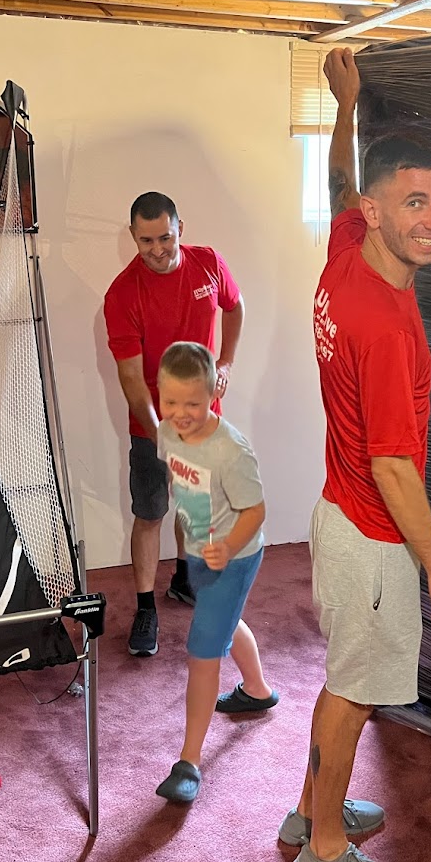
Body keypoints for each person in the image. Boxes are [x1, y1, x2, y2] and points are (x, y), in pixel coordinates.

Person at [284, 48, 431, 862]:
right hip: (372, 530)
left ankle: (304, 812)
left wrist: (346, 101)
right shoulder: (385, 327)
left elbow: (333, 179)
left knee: (341, 678)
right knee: (353, 692)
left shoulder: (348, 247)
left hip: (336, 512)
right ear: (379, 209)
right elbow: (392, 465)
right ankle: (324, 850)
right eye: (414, 203)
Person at [103, 192, 245, 658]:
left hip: (205, 422)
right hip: (153, 426)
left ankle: (185, 579)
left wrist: (226, 361)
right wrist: (162, 437)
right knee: (150, 514)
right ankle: (146, 608)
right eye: (146, 241)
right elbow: (131, 379)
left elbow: (235, 305)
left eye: (165, 237)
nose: (158, 249)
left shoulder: (208, 264)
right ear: (132, 238)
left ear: (181, 226)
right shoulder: (122, 294)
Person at [152, 341, 276, 803]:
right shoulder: (166, 432)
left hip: (236, 557)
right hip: (202, 553)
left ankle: (189, 762)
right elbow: (178, 481)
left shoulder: (231, 451)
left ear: (212, 396)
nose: (181, 413)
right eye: (171, 402)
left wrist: (226, 546)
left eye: (193, 403)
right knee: (221, 620)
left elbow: (257, 510)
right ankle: (258, 690)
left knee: (203, 652)